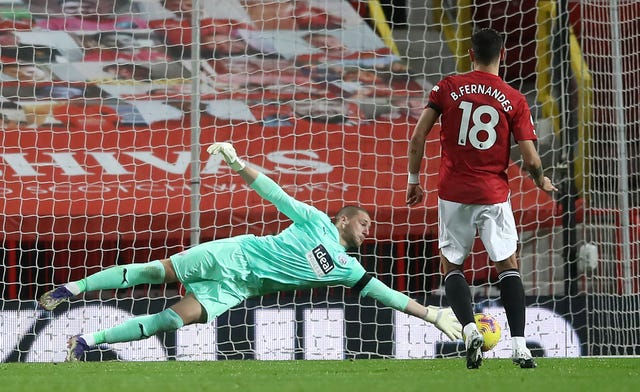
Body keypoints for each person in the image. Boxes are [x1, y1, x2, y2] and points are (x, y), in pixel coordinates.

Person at [39, 142, 462, 362]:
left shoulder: (348, 270)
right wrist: (238, 164)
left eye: (370, 228)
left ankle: (85, 341)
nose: (368, 231)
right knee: (153, 272)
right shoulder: (315, 219)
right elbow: (276, 194)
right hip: (233, 255)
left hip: (237, 288)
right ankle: (72, 288)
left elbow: (386, 294)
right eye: (363, 222)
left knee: (169, 320)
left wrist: (435, 314)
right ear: (342, 219)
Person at [405, 28, 557, 370]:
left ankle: (470, 329)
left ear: (470, 53)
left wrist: (413, 180)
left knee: (451, 266)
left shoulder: (448, 87)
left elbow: (418, 136)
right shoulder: (514, 99)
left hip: (453, 193)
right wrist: (540, 180)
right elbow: (531, 159)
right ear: (502, 55)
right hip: (493, 193)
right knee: (507, 265)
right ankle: (520, 346)